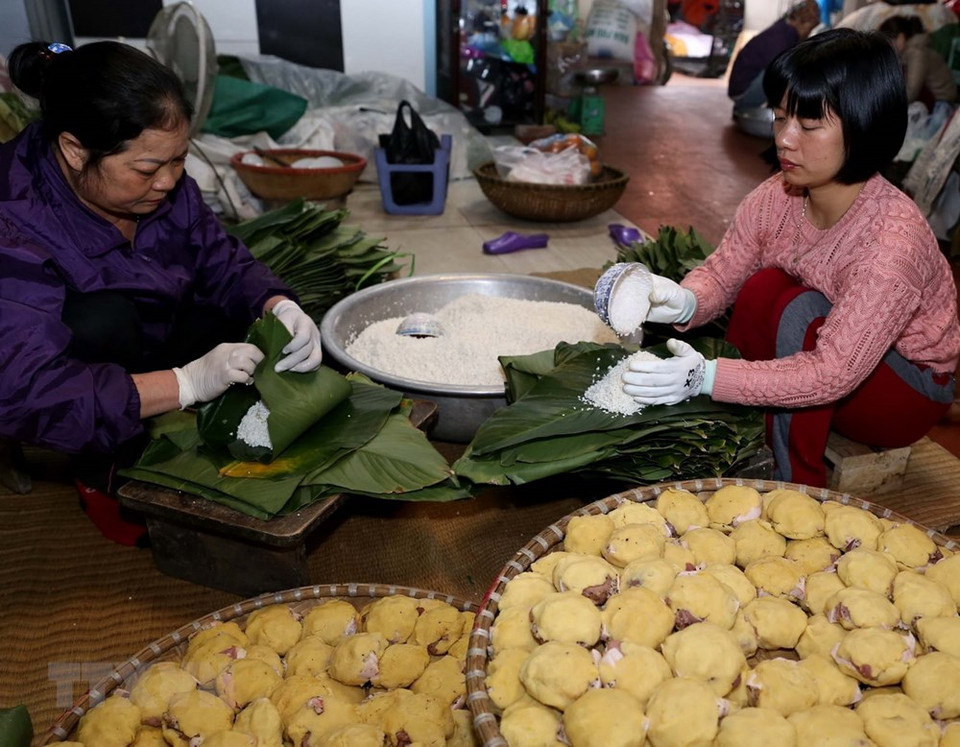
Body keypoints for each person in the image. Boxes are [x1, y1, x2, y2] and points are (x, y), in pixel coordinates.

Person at [604, 28, 960, 488]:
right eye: (780, 117)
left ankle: (795, 485)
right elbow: (724, 269)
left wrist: (706, 378)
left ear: (865, 124)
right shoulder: (779, 196)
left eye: (809, 125)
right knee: (764, 285)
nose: (785, 139)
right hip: (847, 370)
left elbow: (833, 371)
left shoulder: (893, 242)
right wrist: (687, 299)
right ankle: (747, 427)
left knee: (798, 309)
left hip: (904, 393)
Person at [0, 41, 323, 543]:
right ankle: (103, 472)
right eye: (149, 169)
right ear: (73, 149)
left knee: (237, 322)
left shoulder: (159, 179)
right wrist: (185, 384)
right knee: (101, 320)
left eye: (181, 160)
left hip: (152, 332)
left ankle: (202, 430)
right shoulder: (12, 221)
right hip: (79, 373)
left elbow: (217, 257)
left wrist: (276, 303)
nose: (170, 181)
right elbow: (26, 390)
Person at [727, 0, 821, 129]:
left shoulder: (784, 30)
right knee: (785, 73)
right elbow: (780, 76)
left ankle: (745, 107)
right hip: (743, 93)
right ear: (803, 23)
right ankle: (746, 106)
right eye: (810, 28)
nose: (808, 33)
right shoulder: (780, 39)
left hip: (743, 88)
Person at [879, 14, 958, 106]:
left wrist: (887, 104)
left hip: (943, 100)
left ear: (901, 38)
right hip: (929, 99)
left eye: (890, 43)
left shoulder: (917, 53)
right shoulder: (906, 53)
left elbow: (912, 91)